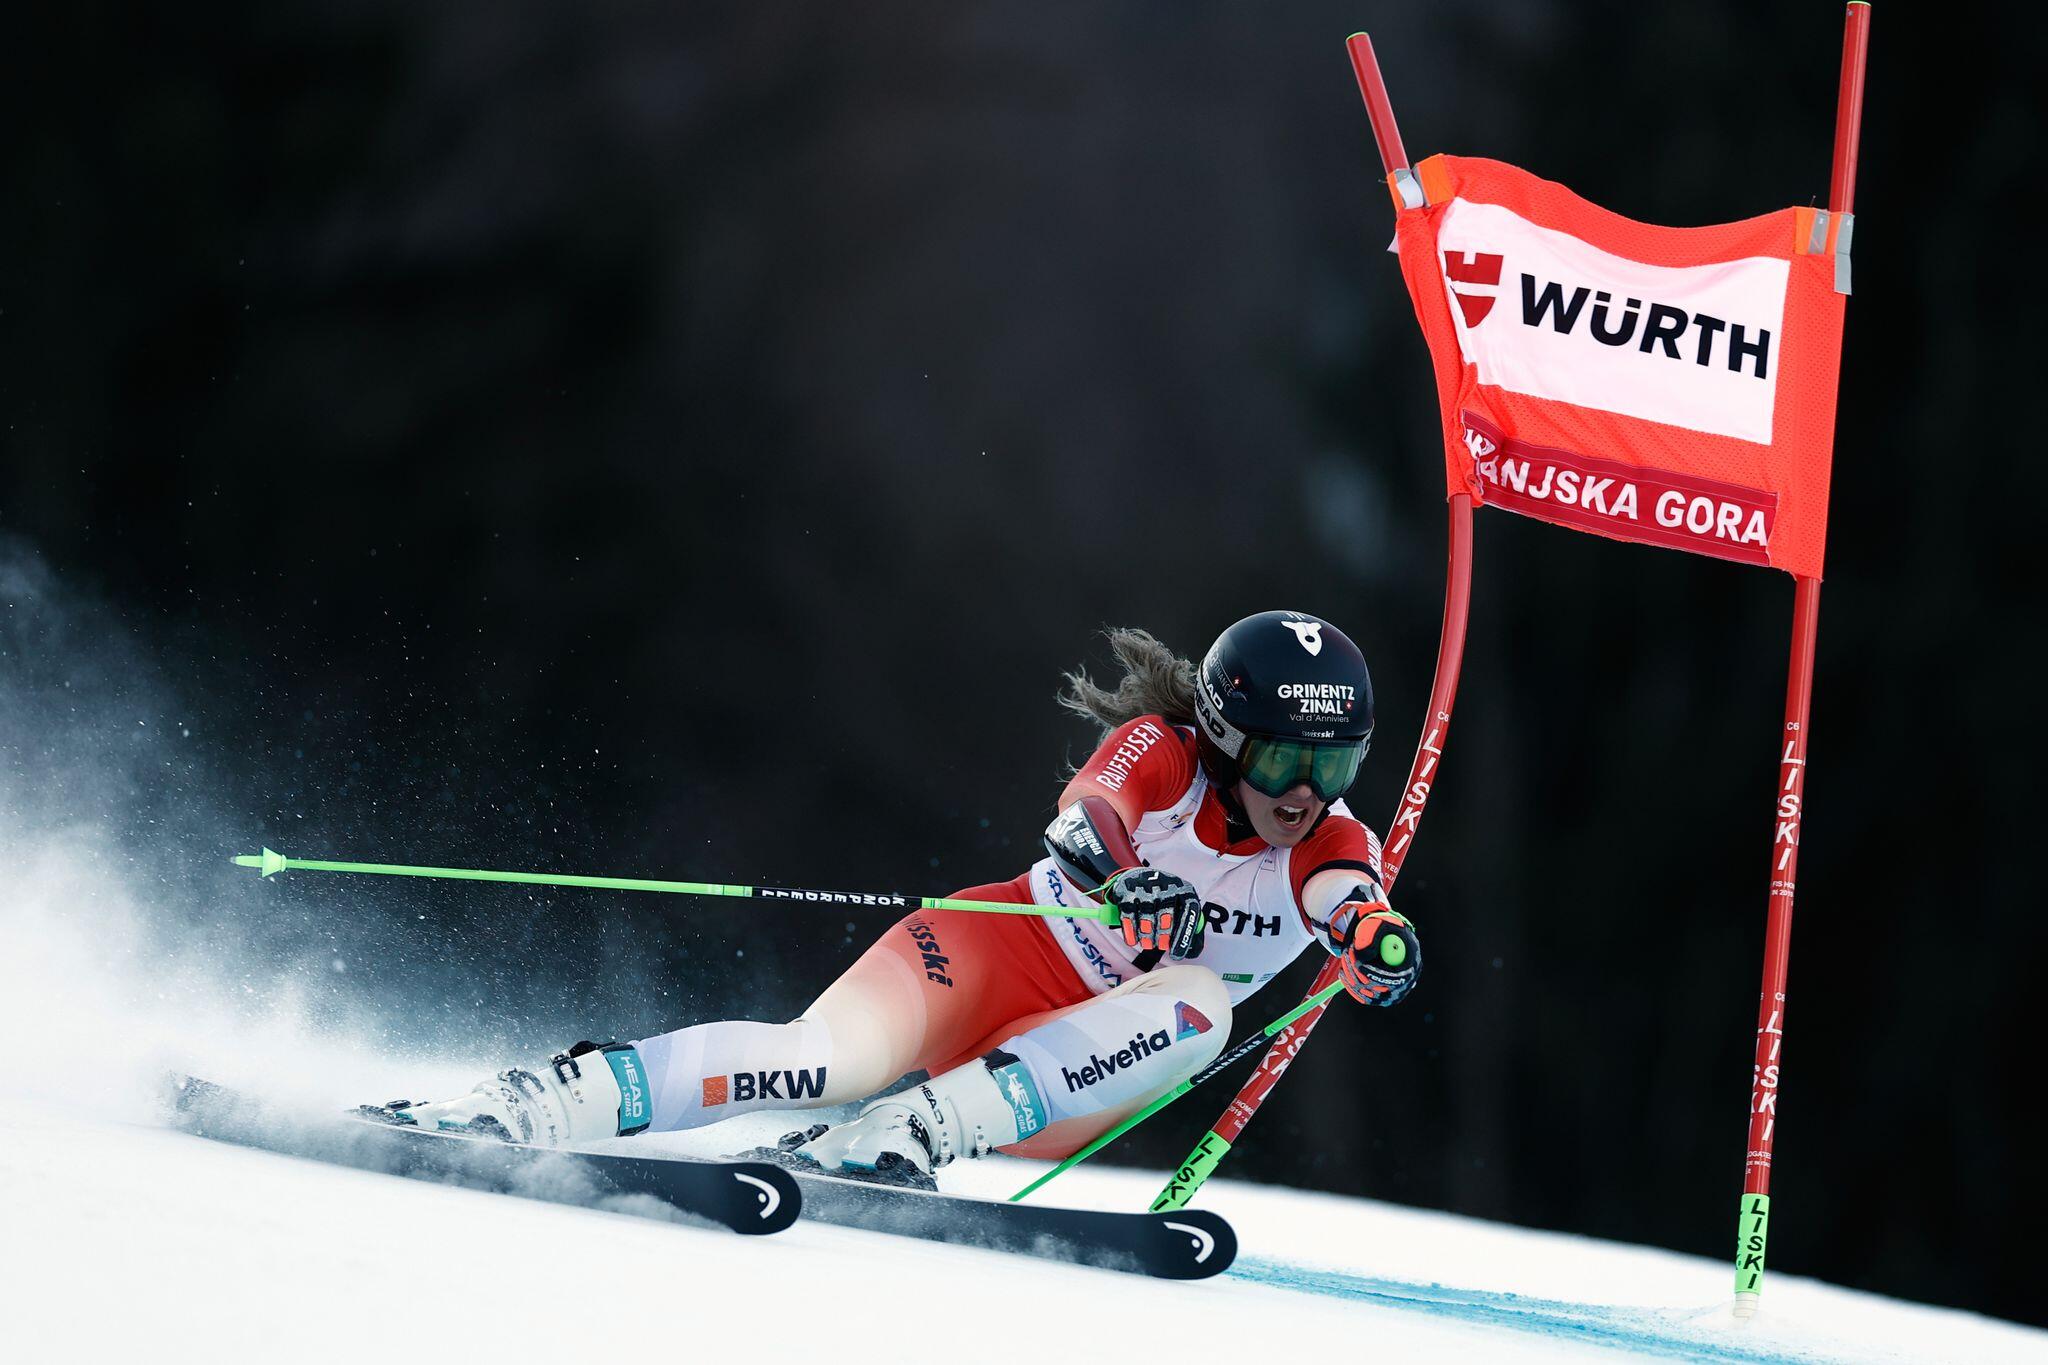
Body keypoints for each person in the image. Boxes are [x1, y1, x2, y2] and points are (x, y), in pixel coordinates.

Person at [370, 610, 1422, 1187]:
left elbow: (1348, 895)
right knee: (819, 1061)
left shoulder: (1330, 838)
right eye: (1285, 760)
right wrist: (1126, 878)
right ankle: (541, 1101)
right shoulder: (1163, 752)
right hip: (995, 952)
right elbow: (1085, 815)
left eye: (1333, 765)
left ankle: (910, 1131)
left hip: (1074, 1078)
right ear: (1228, 737)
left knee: (1198, 1004)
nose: (1304, 792)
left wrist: (1373, 941)